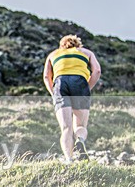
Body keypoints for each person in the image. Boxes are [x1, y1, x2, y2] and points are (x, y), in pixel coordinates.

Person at [43, 34, 102, 163]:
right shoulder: (86, 52)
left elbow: (47, 77)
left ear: (62, 45)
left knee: (66, 128)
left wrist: (54, 93)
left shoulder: (53, 54)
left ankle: (69, 160)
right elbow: (97, 71)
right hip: (80, 82)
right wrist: (87, 88)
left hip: (60, 82)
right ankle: (80, 141)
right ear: (77, 44)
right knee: (80, 125)